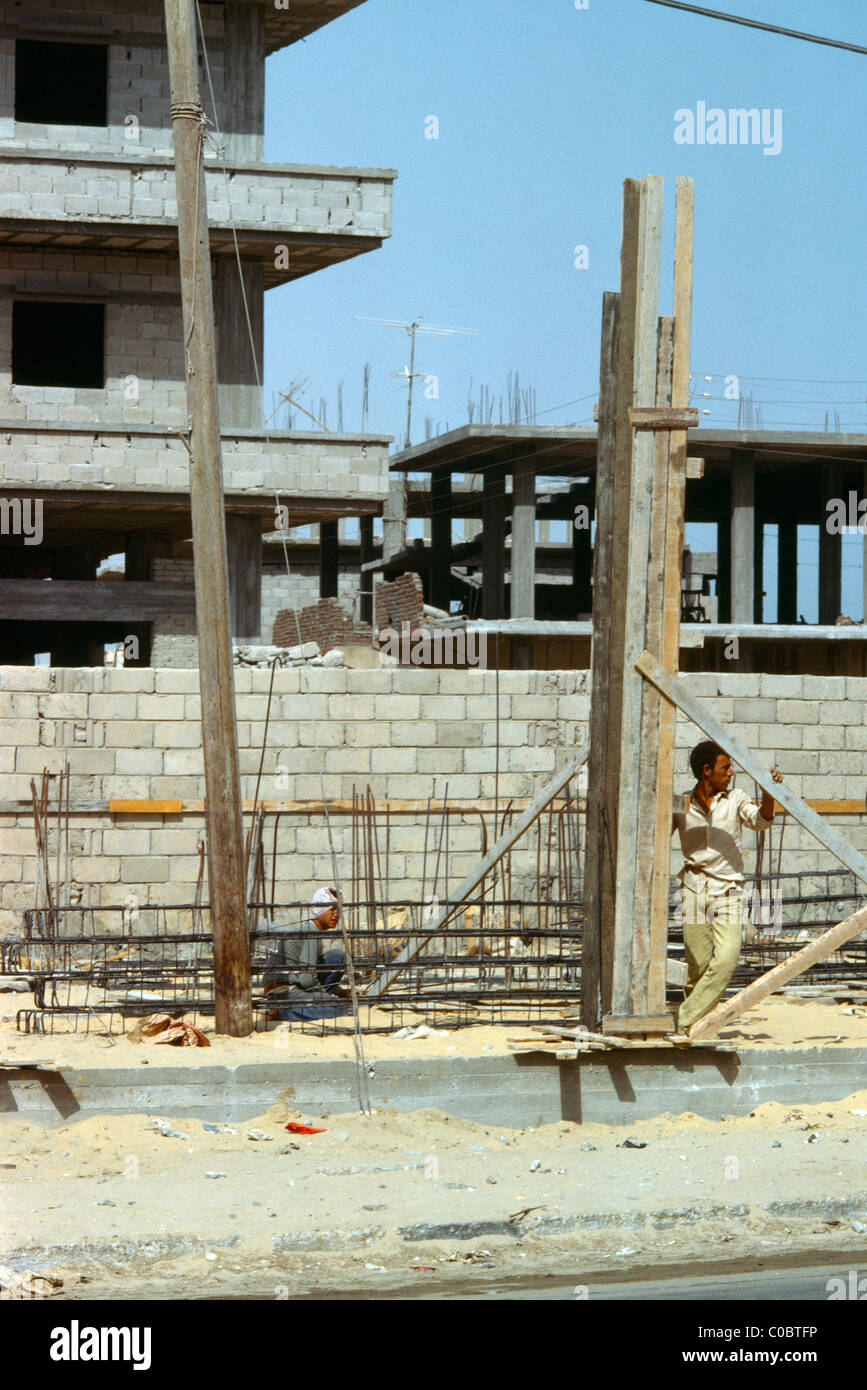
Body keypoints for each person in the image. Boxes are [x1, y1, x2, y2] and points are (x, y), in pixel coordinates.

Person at [673, 741, 783, 1032]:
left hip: (729, 890)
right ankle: (695, 1031)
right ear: (707, 771)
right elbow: (656, 830)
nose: (731, 773)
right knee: (696, 966)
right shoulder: (681, 802)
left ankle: (683, 1021)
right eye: (725, 767)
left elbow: (760, 821)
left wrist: (769, 793)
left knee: (725, 960)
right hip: (693, 888)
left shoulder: (735, 799)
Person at [261, 887, 349, 1021]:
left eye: (339, 910)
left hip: (291, 986)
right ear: (320, 910)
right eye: (332, 909)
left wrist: (339, 991)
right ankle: (283, 1012)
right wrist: (325, 997)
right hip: (283, 991)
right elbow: (306, 980)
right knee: (346, 1008)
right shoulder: (309, 932)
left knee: (337, 956)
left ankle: (315, 1002)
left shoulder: (311, 930)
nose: (336, 914)